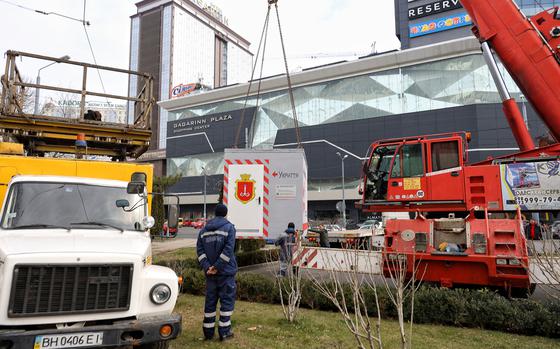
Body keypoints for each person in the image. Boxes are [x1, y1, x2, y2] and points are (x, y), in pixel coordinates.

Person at [196, 204, 237, 341]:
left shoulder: (203, 231)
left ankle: (208, 333)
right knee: (226, 302)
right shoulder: (229, 228)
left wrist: (208, 267)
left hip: (210, 274)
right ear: (225, 214)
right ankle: (224, 333)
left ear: (215, 214)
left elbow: (200, 252)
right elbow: (228, 250)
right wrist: (217, 267)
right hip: (225, 273)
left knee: (210, 302)